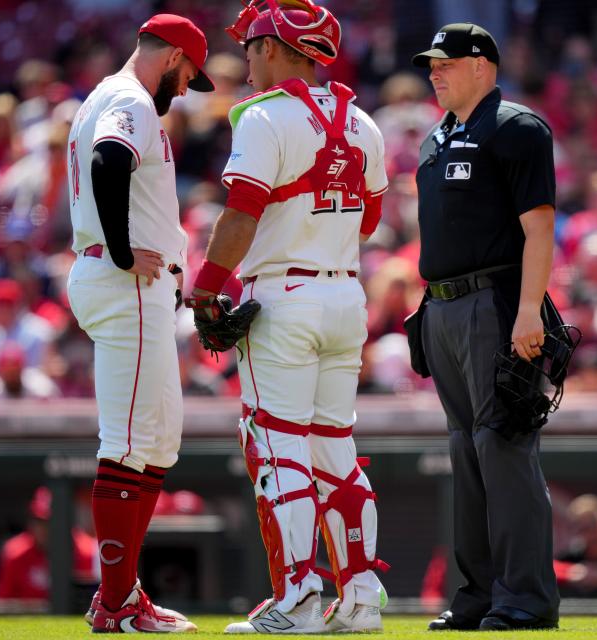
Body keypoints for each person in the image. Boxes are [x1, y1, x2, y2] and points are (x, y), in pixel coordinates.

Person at [186, 0, 389, 633]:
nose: (245, 56)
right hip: (345, 296)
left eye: (251, 44)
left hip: (283, 296)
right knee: (334, 449)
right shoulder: (363, 121)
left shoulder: (264, 119)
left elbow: (241, 214)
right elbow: (372, 220)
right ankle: (360, 598)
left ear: (275, 47)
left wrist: (205, 287)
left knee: (276, 447)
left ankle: (298, 597)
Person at [65, 12, 214, 634]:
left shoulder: (111, 95)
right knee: (128, 442)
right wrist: (125, 250)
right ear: (174, 54)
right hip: (124, 281)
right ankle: (117, 604)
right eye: (188, 75)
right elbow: (108, 161)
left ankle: (124, 595)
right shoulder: (129, 96)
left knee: (156, 442)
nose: (186, 89)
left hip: (133, 285)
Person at [411, 23, 559, 632]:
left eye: (446, 62)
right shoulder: (436, 137)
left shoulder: (516, 127)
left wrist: (529, 310)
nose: (435, 72)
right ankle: (476, 597)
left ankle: (525, 599)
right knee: (465, 455)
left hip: (495, 302)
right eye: (431, 64)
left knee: (503, 445)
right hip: (443, 307)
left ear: (482, 65)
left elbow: (540, 228)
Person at [0, 487, 98, 601]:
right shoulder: (14, 553)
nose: (44, 529)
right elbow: (3, 605)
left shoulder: (87, 551)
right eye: (39, 522)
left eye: (51, 522)